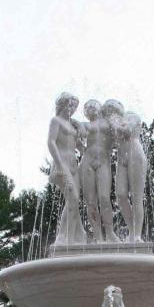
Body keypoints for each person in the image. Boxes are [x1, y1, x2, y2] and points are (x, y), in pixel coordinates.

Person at [47, 92, 86, 245]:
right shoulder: (55, 121)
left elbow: (76, 144)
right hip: (62, 162)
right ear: (62, 104)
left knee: (74, 201)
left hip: (73, 163)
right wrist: (59, 164)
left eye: (75, 106)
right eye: (70, 105)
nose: (72, 108)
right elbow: (51, 142)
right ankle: (63, 237)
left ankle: (76, 235)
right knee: (73, 198)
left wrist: (84, 150)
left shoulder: (72, 124)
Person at [78, 100, 116, 242]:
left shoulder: (108, 123)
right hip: (87, 162)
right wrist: (82, 150)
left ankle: (110, 233)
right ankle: (98, 236)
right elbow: (74, 136)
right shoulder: (85, 125)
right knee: (91, 202)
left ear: (99, 107)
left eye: (92, 105)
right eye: (86, 107)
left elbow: (117, 135)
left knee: (105, 198)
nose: (89, 108)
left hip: (103, 162)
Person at [114, 110, 147, 243]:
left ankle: (137, 235)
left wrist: (114, 124)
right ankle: (132, 230)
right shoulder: (118, 121)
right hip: (122, 158)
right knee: (120, 195)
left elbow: (127, 131)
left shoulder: (133, 116)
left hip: (135, 155)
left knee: (136, 197)